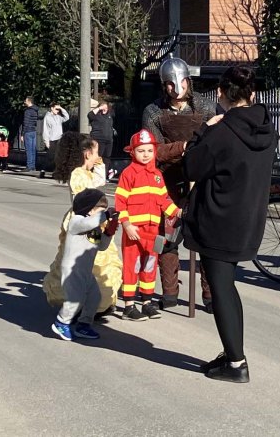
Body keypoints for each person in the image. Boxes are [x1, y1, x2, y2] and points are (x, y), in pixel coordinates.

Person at [182, 66, 277, 383]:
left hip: (219, 219)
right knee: (227, 286)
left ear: (221, 94)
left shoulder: (221, 132)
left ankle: (236, 363)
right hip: (250, 217)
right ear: (253, 94)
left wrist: (203, 130)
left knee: (221, 288)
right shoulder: (267, 129)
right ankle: (232, 351)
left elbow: (191, 165)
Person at [142, 57, 216, 311]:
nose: (177, 88)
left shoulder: (206, 108)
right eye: (171, 84)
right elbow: (152, 151)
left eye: (181, 82)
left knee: (206, 239)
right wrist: (183, 147)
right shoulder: (153, 112)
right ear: (164, 85)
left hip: (201, 181)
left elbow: (215, 144)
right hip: (169, 181)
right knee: (168, 238)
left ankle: (210, 295)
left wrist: (199, 158)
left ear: (188, 81)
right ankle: (170, 293)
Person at [42, 132, 122, 316]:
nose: (98, 157)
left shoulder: (86, 173)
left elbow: (99, 180)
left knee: (97, 259)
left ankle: (95, 303)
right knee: (87, 261)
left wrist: (99, 163)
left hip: (94, 219)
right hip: (84, 220)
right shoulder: (78, 174)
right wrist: (98, 215)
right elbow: (83, 199)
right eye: (96, 153)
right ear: (87, 154)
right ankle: (82, 303)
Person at [115, 129, 181, 321]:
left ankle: (146, 302)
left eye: (150, 150)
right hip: (134, 230)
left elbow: (164, 200)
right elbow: (120, 202)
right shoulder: (128, 174)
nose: (146, 154)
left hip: (152, 231)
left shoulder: (157, 175)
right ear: (132, 152)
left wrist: (177, 212)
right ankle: (128, 306)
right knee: (132, 266)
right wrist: (126, 225)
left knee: (149, 265)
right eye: (141, 150)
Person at [51, 189, 119, 341]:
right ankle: (61, 322)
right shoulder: (77, 221)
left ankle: (84, 324)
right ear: (89, 209)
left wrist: (108, 233)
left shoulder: (94, 228)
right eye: (101, 210)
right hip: (72, 270)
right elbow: (87, 223)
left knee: (94, 298)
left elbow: (101, 246)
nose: (103, 213)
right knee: (75, 299)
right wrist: (106, 215)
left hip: (86, 271)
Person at [88, 101, 114, 178]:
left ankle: (104, 175)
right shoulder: (96, 115)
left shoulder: (110, 115)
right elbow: (90, 115)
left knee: (107, 157)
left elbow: (113, 113)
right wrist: (99, 108)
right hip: (98, 139)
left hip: (108, 140)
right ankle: (94, 174)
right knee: (97, 157)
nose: (104, 109)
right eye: (102, 107)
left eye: (105, 107)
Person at [43, 102, 69, 177]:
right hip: (52, 139)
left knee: (59, 156)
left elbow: (67, 117)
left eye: (58, 110)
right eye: (56, 109)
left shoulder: (59, 117)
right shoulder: (47, 117)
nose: (57, 111)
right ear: (52, 108)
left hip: (59, 139)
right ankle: (43, 170)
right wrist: (46, 141)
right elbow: (45, 130)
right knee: (50, 157)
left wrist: (61, 108)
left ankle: (56, 172)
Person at [21, 96, 39, 172]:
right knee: (33, 150)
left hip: (28, 131)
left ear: (29, 101)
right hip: (33, 131)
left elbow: (25, 123)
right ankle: (33, 166)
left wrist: (22, 134)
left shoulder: (27, 111)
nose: (24, 102)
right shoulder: (35, 110)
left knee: (28, 150)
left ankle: (29, 166)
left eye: (25, 101)